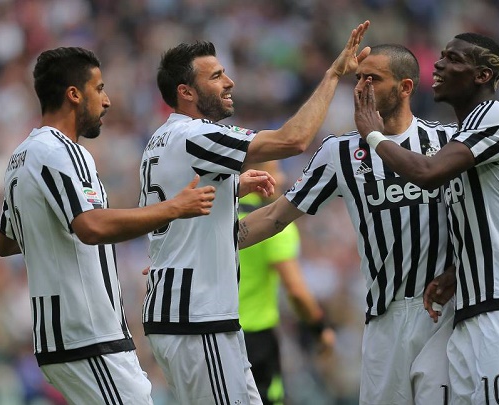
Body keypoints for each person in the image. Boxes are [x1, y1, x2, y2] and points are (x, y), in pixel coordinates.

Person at [238, 44, 499, 405]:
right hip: (384, 316)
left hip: (443, 315)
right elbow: (275, 216)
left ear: (405, 87)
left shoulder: (446, 141)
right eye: (359, 78)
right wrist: (212, 241)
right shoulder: (339, 153)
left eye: (374, 79)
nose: (362, 88)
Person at [138, 21, 369, 404]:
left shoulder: (165, 140)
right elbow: (292, 139)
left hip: (196, 318)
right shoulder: (196, 136)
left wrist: (302, 196)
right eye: (216, 76)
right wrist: (332, 75)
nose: (229, 82)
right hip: (198, 319)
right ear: (186, 92)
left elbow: (229, 232)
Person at [0, 47, 218, 404]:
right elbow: (91, 226)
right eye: (99, 88)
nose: (108, 100)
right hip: (89, 333)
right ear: (74, 94)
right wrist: (173, 208)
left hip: (61, 337)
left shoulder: (21, 156)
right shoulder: (64, 151)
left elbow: (5, 241)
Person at [354, 33, 499, 404]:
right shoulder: (462, 135)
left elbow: (428, 172)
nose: (440, 64)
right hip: (471, 304)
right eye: (442, 56)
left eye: (453, 59)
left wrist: (374, 135)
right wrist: (455, 274)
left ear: (481, 75)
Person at [238, 160, 335, 405]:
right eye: (276, 171)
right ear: (258, 177)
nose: (281, 179)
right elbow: (296, 291)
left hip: (213, 334)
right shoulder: (270, 226)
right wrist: (320, 328)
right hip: (254, 340)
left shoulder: (215, 218)